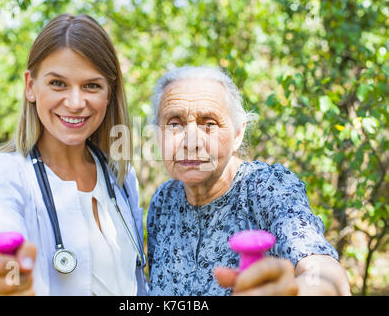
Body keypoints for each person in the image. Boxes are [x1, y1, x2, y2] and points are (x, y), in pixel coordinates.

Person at [0, 13, 147, 296]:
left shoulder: (121, 176)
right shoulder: (6, 173)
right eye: (58, 83)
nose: (75, 102)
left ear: (109, 93)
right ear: (31, 86)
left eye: (91, 85)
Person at [146, 66, 351, 296]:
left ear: (238, 134)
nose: (191, 141)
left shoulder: (267, 188)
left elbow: (322, 269)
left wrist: (304, 289)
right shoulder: (164, 200)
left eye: (209, 124)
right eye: (175, 124)